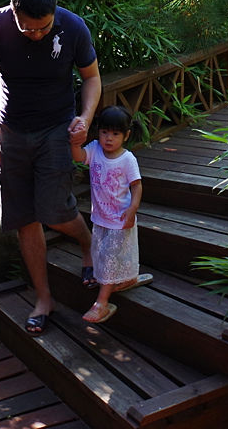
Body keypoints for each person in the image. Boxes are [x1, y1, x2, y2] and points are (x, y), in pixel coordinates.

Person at [0, 0, 100, 335]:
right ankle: (44, 298)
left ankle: (87, 242)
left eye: (44, 28)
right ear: (15, 13)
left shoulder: (73, 27)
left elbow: (91, 77)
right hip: (10, 130)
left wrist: (85, 119)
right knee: (24, 216)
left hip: (56, 129)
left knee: (55, 209)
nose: (37, 35)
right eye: (29, 28)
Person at [70, 104, 150, 324]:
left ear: (126, 135)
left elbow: (137, 186)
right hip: (101, 217)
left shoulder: (127, 159)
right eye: (104, 132)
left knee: (110, 257)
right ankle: (124, 279)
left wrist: (133, 209)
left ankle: (102, 303)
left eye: (115, 134)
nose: (108, 138)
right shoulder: (95, 149)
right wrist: (75, 143)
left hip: (120, 219)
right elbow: (78, 157)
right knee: (102, 253)